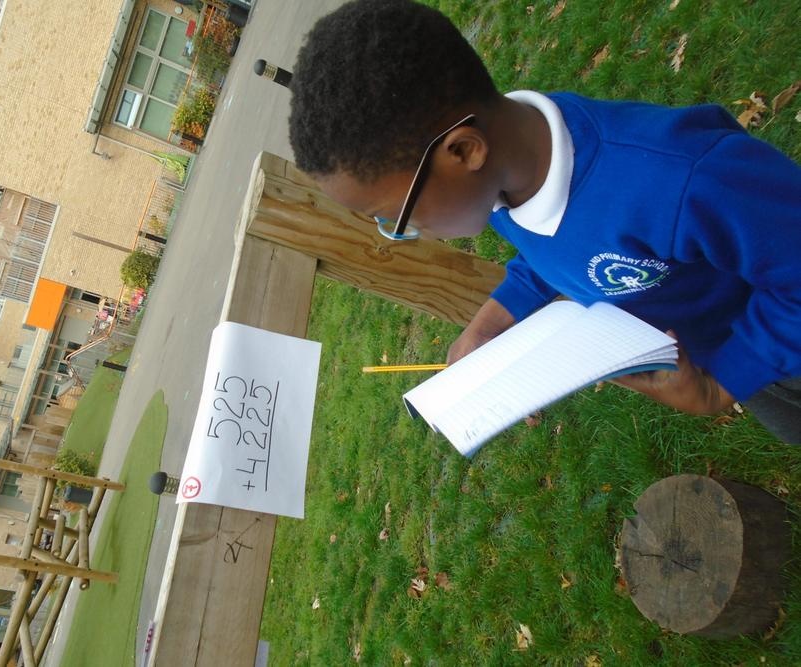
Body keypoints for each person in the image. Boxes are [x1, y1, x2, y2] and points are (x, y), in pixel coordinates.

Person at [287, 0, 801, 443]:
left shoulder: (684, 179)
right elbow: (551, 249)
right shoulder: (510, 178)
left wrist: (721, 385)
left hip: (772, 343)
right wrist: (491, 323)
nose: (408, 232)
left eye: (399, 216)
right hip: (735, 358)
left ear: (463, 151)